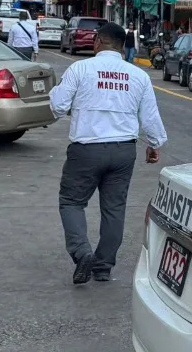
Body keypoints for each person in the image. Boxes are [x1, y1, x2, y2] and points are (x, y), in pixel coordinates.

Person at [48, 21, 166, 285]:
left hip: (86, 150)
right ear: (123, 47)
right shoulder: (138, 76)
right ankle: (103, 266)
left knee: (72, 202)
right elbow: (150, 116)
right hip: (123, 151)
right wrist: (154, 144)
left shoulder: (80, 68)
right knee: (114, 209)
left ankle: (82, 253)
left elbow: (57, 106)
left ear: (97, 42)